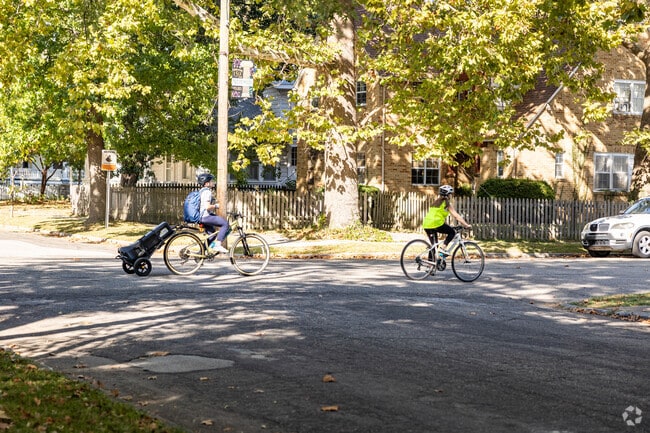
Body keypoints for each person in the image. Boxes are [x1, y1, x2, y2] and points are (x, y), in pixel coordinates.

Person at [422, 185, 471, 256]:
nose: (451, 196)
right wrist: (466, 225)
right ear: (448, 195)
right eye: (450, 194)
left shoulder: (435, 203)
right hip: (436, 224)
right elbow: (456, 216)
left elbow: (437, 216)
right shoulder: (446, 203)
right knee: (452, 232)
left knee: (434, 245)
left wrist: (447, 225)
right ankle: (443, 248)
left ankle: (431, 264)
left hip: (427, 224)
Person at [196, 173, 230, 254]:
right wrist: (216, 206)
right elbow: (207, 207)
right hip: (205, 216)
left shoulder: (201, 191)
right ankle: (217, 245)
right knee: (225, 224)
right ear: (207, 183)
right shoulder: (207, 192)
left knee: (212, 234)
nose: (213, 182)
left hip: (202, 217)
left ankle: (201, 253)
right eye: (211, 181)